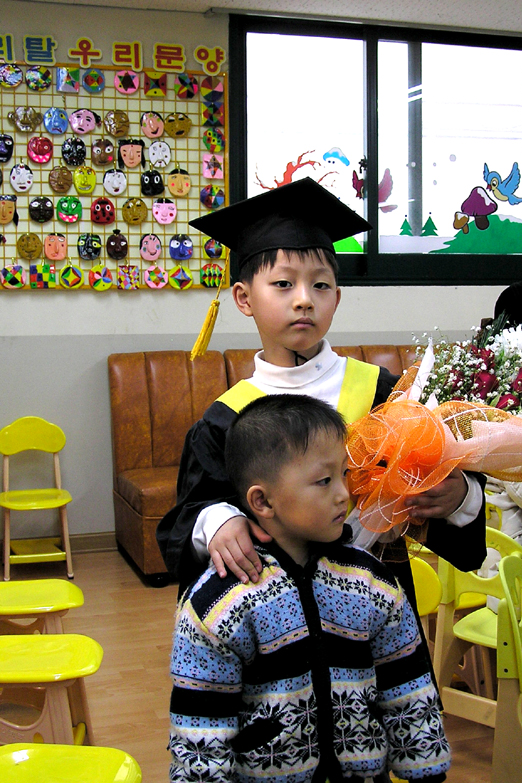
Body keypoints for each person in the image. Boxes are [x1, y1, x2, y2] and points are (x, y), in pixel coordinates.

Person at [156, 178, 487, 605]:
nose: (304, 300)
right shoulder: (226, 418)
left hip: (378, 605)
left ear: (337, 297)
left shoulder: (386, 394)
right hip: (273, 613)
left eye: (320, 285)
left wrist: (460, 496)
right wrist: (217, 522)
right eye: (283, 284)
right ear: (243, 298)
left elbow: (439, 498)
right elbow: (187, 519)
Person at [169, 394, 451, 783]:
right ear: (262, 501)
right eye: (323, 481)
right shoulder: (219, 604)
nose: (344, 494)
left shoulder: (371, 582)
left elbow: (409, 688)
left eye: (344, 474)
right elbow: (201, 727)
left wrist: (425, 771)